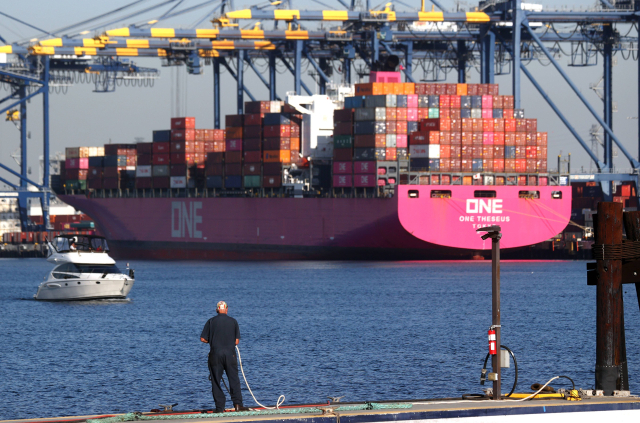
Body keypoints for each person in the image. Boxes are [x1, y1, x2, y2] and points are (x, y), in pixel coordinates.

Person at [201, 301, 249, 413]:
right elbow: (236, 341)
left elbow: (203, 338)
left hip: (215, 354)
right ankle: (238, 404)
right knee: (233, 379)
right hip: (230, 354)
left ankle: (219, 407)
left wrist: (212, 341)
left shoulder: (211, 321)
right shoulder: (233, 321)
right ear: (226, 309)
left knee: (216, 381)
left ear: (217, 310)